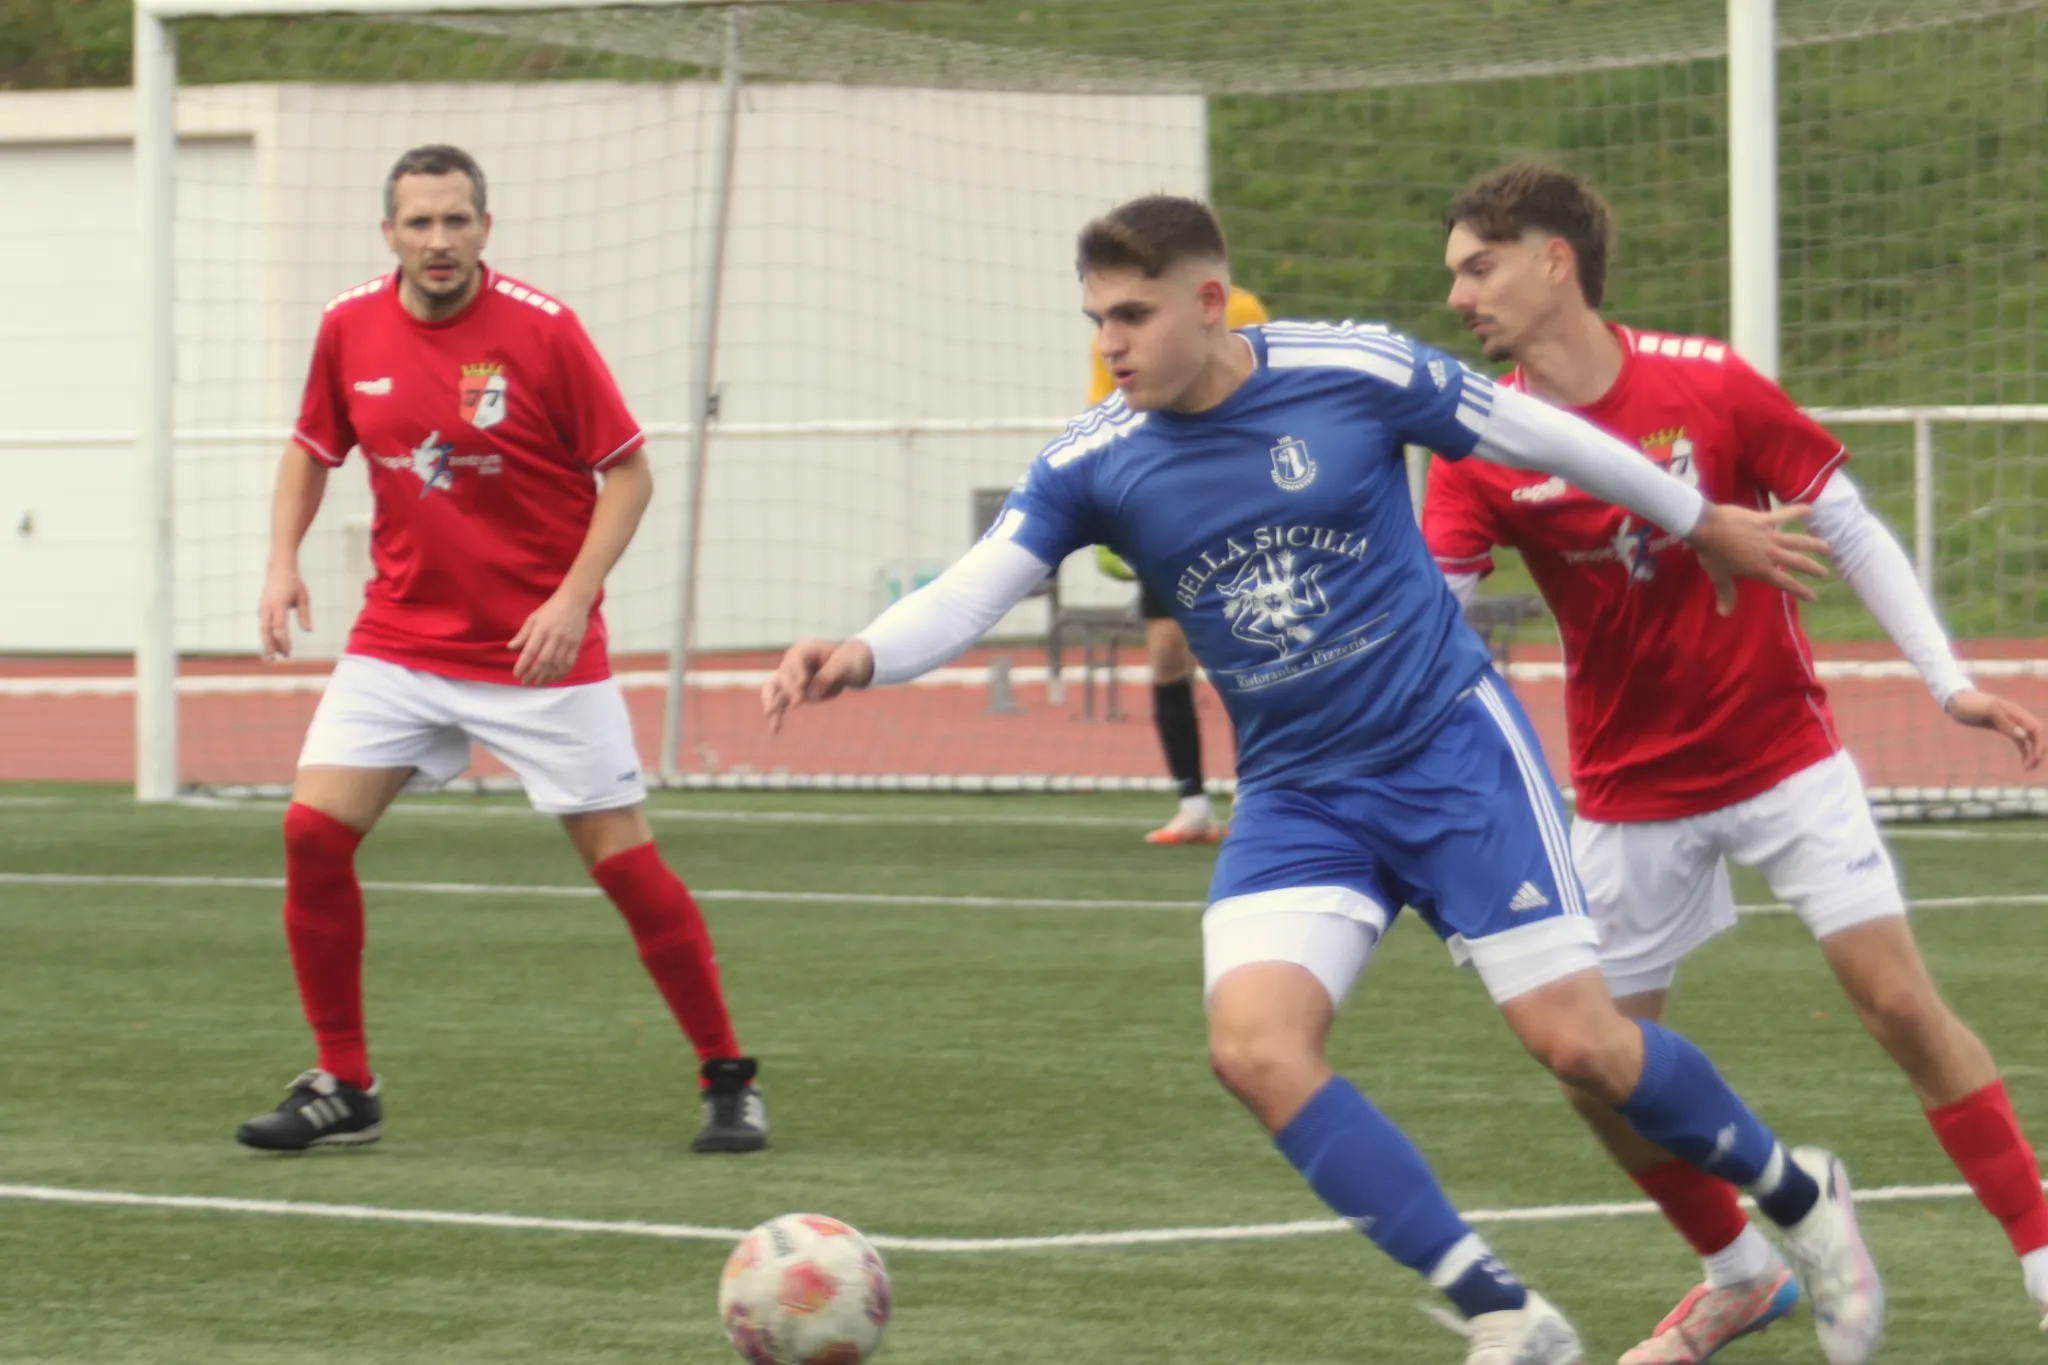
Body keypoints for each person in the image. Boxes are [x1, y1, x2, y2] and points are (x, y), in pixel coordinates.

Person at [761, 194, 1882, 1365]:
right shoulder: (1093, 460)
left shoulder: (1350, 369)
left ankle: (1797, 1194)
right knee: (1253, 1048)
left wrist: (1694, 517)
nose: (1110, 344)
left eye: (1133, 315)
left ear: (1208, 301)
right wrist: (861, 653)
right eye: (1096, 320)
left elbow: (1542, 437)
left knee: (1583, 1049)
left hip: (1447, 754)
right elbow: (978, 583)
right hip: (1298, 793)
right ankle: (1506, 1313)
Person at [1426, 161, 2048, 1361]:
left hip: (1781, 760)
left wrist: (1947, 683)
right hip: (1627, 791)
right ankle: (1738, 1272)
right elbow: (1433, 623)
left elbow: (1842, 518)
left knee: (1898, 1004)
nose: (1456, 295)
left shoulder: (1703, 381)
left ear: (1553, 261)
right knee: (1593, 1071)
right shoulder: (1476, 444)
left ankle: (2037, 1251)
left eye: (1477, 266)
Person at [240, 144, 766, 1156]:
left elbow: (628, 474)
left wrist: (572, 599)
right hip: (399, 640)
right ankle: (345, 1082)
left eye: (457, 220)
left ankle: (727, 1075)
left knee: (625, 866)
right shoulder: (347, 326)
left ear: (486, 227)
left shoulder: (543, 330)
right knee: (311, 834)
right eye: (420, 223)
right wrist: (280, 563)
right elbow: (311, 449)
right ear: (388, 233)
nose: (439, 240)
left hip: (536, 654)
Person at [1089, 285, 1269, 844]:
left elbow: (1264, 391)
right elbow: (1103, 413)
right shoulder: (1113, 331)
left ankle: (1256, 796)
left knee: (1247, 651)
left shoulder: (1244, 309)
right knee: (1168, 655)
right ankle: (1191, 804)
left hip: (1233, 503)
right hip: (1164, 508)